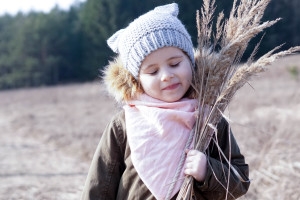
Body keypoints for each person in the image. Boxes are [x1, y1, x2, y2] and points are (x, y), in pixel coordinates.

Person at [81, 3, 250, 200]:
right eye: (153, 71)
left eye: (175, 64)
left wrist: (208, 170)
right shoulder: (125, 124)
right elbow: (100, 184)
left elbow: (240, 181)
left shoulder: (208, 119)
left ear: (191, 61)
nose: (166, 76)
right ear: (137, 80)